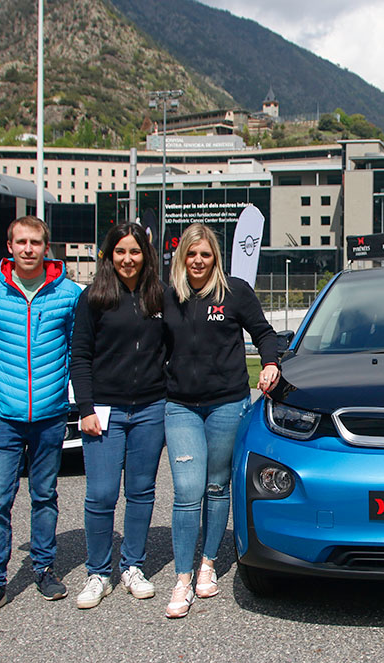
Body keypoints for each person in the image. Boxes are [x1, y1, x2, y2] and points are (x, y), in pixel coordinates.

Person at [0, 216, 83, 622]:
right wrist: (3, 384)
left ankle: (44, 568)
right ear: (9, 246)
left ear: (47, 248)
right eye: (21, 242)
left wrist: (53, 384)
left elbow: (74, 346)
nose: (28, 249)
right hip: (2, 416)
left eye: (36, 242)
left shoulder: (68, 294)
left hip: (49, 413)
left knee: (44, 496)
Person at [162, 223, 280, 618]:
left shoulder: (235, 292)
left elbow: (265, 333)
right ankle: (181, 578)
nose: (198, 261)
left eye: (205, 254)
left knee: (216, 486)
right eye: (191, 254)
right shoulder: (168, 296)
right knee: (187, 488)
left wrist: (270, 364)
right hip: (179, 406)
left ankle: (207, 564)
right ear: (182, 257)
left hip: (226, 404)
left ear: (215, 257)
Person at [69, 223, 168, 609]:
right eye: (120, 252)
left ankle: (132, 566)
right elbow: (79, 357)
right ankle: (98, 572)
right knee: (101, 494)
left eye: (136, 251)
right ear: (109, 256)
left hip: (150, 408)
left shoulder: (159, 296)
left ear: (146, 255)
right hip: (104, 411)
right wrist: (86, 408)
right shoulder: (93, 298)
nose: (128, 259)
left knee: (141, 492)